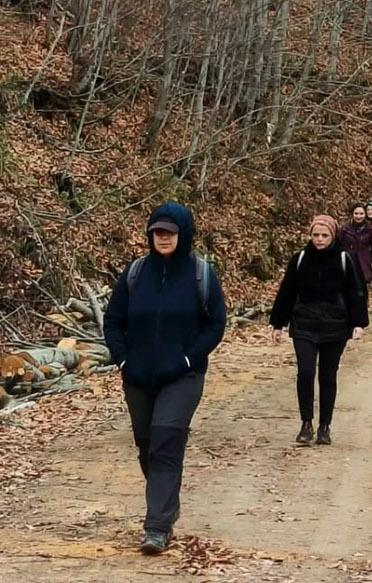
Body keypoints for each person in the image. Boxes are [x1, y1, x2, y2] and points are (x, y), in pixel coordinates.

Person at [104, 201, 228, 555]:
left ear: (183, 234)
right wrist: (125, 361)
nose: (163, 238)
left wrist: (188, 357)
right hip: (138, 375)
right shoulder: (135, 273)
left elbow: (215, 324)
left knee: (165, 440)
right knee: (147, 444)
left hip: (183, 375)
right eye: (157, 232)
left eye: (170, 233)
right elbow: (113, 321)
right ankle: (167, 504)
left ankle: (156, 527)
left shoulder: (200, 273)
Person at [269, 215, 368, 446]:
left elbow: (356, 292)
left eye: (324, 235)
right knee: (305, 372)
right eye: (315, 235)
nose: (320, 240)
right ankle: (306, 423)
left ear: (333, 236)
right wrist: (278, 323)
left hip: (335, 327)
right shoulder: (300, 259)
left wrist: (358, 323)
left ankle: (325, 425)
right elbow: (287, 292)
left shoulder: (344, 259)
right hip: (304, 324)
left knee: (327, 375)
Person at [341, 204, 372, 310]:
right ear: (352, 214)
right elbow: (338, 245)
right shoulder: (345, 229)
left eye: (361, 214)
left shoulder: (369, 229)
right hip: (348, 262)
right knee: (348, 288)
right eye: (356, 213)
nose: (358, 216)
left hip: (364, 263)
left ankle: (362, 311)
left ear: (365, 215)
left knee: (362, 290)